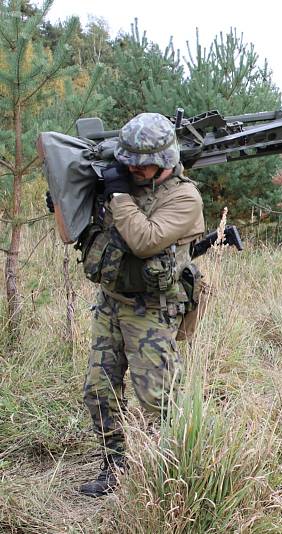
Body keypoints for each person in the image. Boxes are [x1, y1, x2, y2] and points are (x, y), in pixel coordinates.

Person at [78, 113, 205, 497]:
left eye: (142, 162)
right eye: (128, 159)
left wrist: (117, 195)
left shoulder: (184, 197)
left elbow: (145, 240)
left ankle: (166, 478)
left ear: (166, 160)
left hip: (152, 310)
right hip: (110, 303)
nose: (133, 167)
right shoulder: (127, 183)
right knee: (99, 391)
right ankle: (114, 469)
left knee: (157, 399)